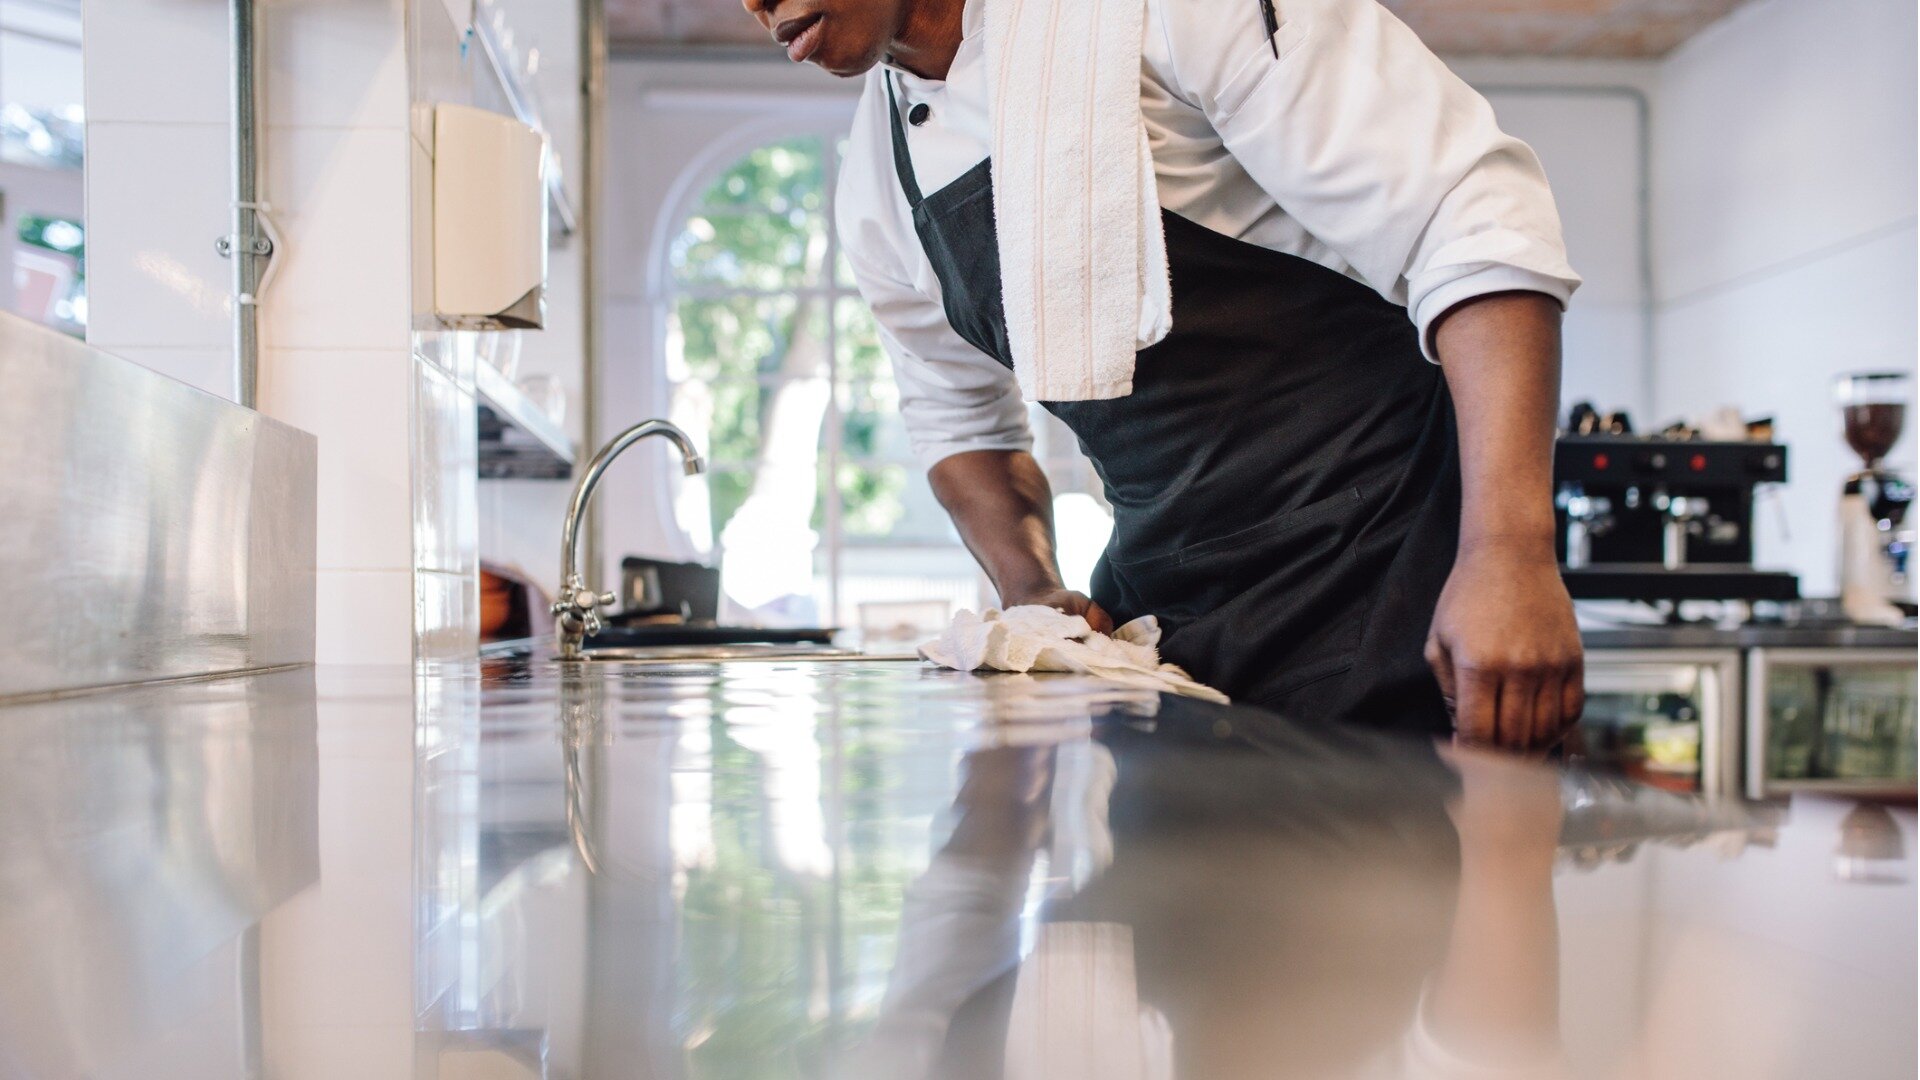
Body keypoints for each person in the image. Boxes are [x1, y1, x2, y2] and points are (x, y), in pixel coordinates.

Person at [742, 0, 1585, 748]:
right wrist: (1035, 590)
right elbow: (961, 426)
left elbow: (1472, 223)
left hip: (1390, 572)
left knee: (1398, 915)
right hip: (1165, 625)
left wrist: (1508, 552)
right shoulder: (874, 183)